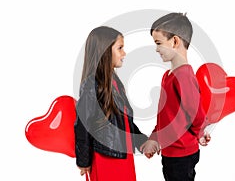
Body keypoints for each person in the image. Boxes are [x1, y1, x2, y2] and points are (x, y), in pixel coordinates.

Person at [140, 13, 211, 181]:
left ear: (175, 41)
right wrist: (154, 138)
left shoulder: (184, 76)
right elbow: (166, 117)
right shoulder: (168, 75)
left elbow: (196, 114)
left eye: (158, 43)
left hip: (182, 155)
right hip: (171, 154)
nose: (156, 49)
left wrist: (200, 132)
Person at [74, 26, 148, 181]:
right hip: (107, 157)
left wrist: (141, 141)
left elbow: (125, 121)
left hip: (123, 154)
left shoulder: (114, 81)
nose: (124, 53)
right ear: (105, 51)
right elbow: (83, 124)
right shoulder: (92, 84)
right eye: (120, 48)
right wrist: (84, 161)